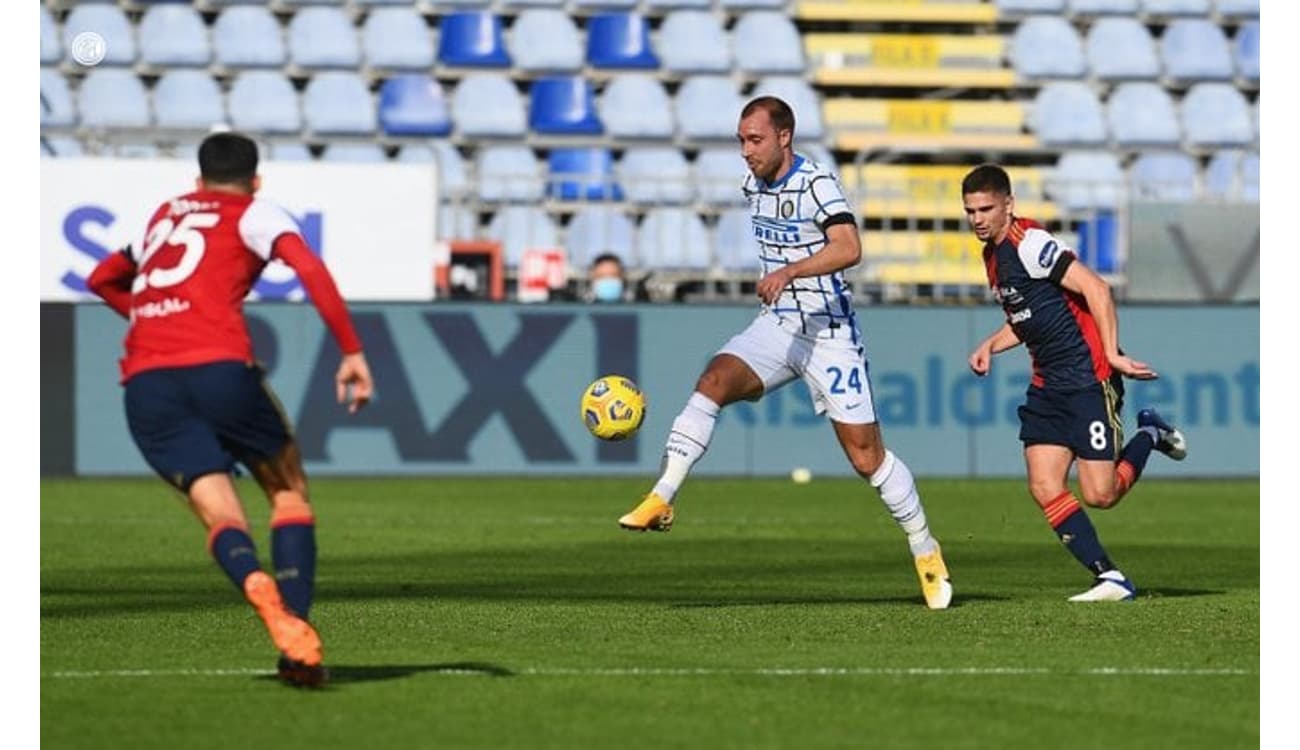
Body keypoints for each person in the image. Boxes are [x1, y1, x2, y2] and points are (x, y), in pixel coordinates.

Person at [617, 96, 954, 610]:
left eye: (754, 140)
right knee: (712, 382)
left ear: (784, 137)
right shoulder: (754, 183)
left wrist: (790, 270)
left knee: (868, 459)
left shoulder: (816, 182)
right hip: (779, 325)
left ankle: (925, 549)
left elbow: (849, 247)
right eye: (740, 141)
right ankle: (662, 496)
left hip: (829, 333)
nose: (745, 151)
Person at [85, 132, 375, 686]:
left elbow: (102, 279)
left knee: (222, 516)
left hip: (146, 382)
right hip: (219, 368)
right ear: (256, 180)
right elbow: (309, 269)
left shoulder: (164, 218)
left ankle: (253, 586)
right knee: (287, 491)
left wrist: (150, 321)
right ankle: (298, 642)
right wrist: (352, 350)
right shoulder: (253, 212)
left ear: (197, 182)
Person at [960, 163, 1188, 602]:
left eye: (986, 208)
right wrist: (991, 343)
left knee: (1101, 495)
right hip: (1047, 386)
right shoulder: (992, 255)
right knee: (1044, 485)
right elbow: (1028, 320)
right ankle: (1110, 577)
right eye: (970, 211)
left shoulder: (1031, 244)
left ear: (1008, 204)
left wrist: (1114, 353)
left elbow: (1097, 289)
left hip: (1088, 379)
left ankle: (1150, 434)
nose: (977, 219)